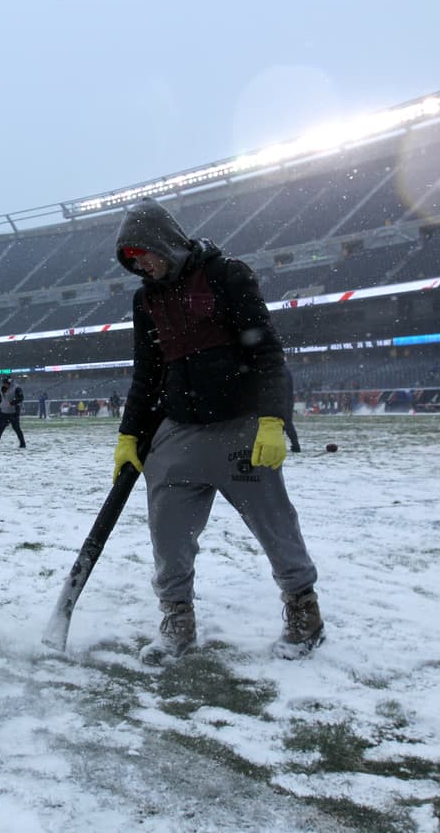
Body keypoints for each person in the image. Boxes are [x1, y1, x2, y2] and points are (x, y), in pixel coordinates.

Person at [111, 197, 323, 664]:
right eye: (131, 260)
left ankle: (303, 609)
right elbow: (146, 373)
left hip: (240, 425)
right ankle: (177, 620)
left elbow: (266, 350)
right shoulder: (145, 299)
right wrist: (129, 435)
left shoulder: (228, 275)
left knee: (274, 524)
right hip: (179, 433)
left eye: (142, 252)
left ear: (164, 240)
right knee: (167, 534)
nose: (139, 264)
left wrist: (272, 419)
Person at [0, 378, 26, 449]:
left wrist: (12, 403)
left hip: (13, 412)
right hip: (3, 412)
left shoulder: (17, 388)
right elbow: (0, 398)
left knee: (16, 428)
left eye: (5, 384)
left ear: (9, 383)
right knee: (0, 428)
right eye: (3, 384)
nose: (4, 385)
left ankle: (22, 444)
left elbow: (21, 398)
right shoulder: (3, 389)